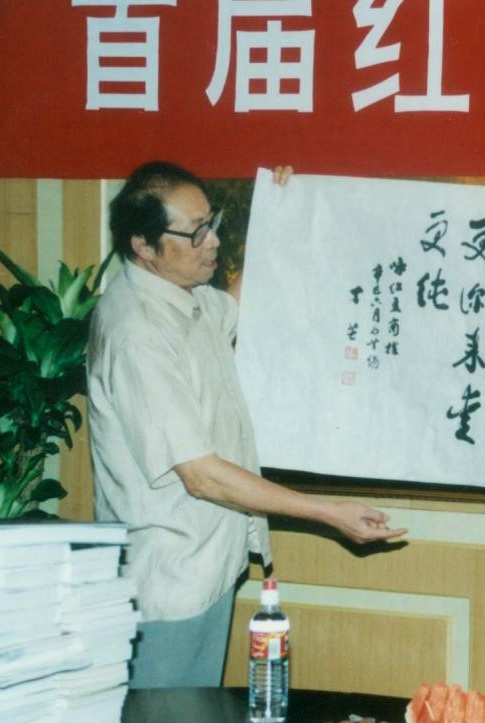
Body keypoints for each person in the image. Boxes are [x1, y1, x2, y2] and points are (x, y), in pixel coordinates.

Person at [87, 161, 406, 689]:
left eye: (212, 222)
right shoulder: (137, 333)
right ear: (143, 245)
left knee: (193, 717)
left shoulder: (178, 294)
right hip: (168, 584)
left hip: (204, 566)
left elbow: (236, 308)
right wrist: (327, 512)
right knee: (164, 720)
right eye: (195, 233)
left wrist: (283, 216)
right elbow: (201, 475)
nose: (213, 241)